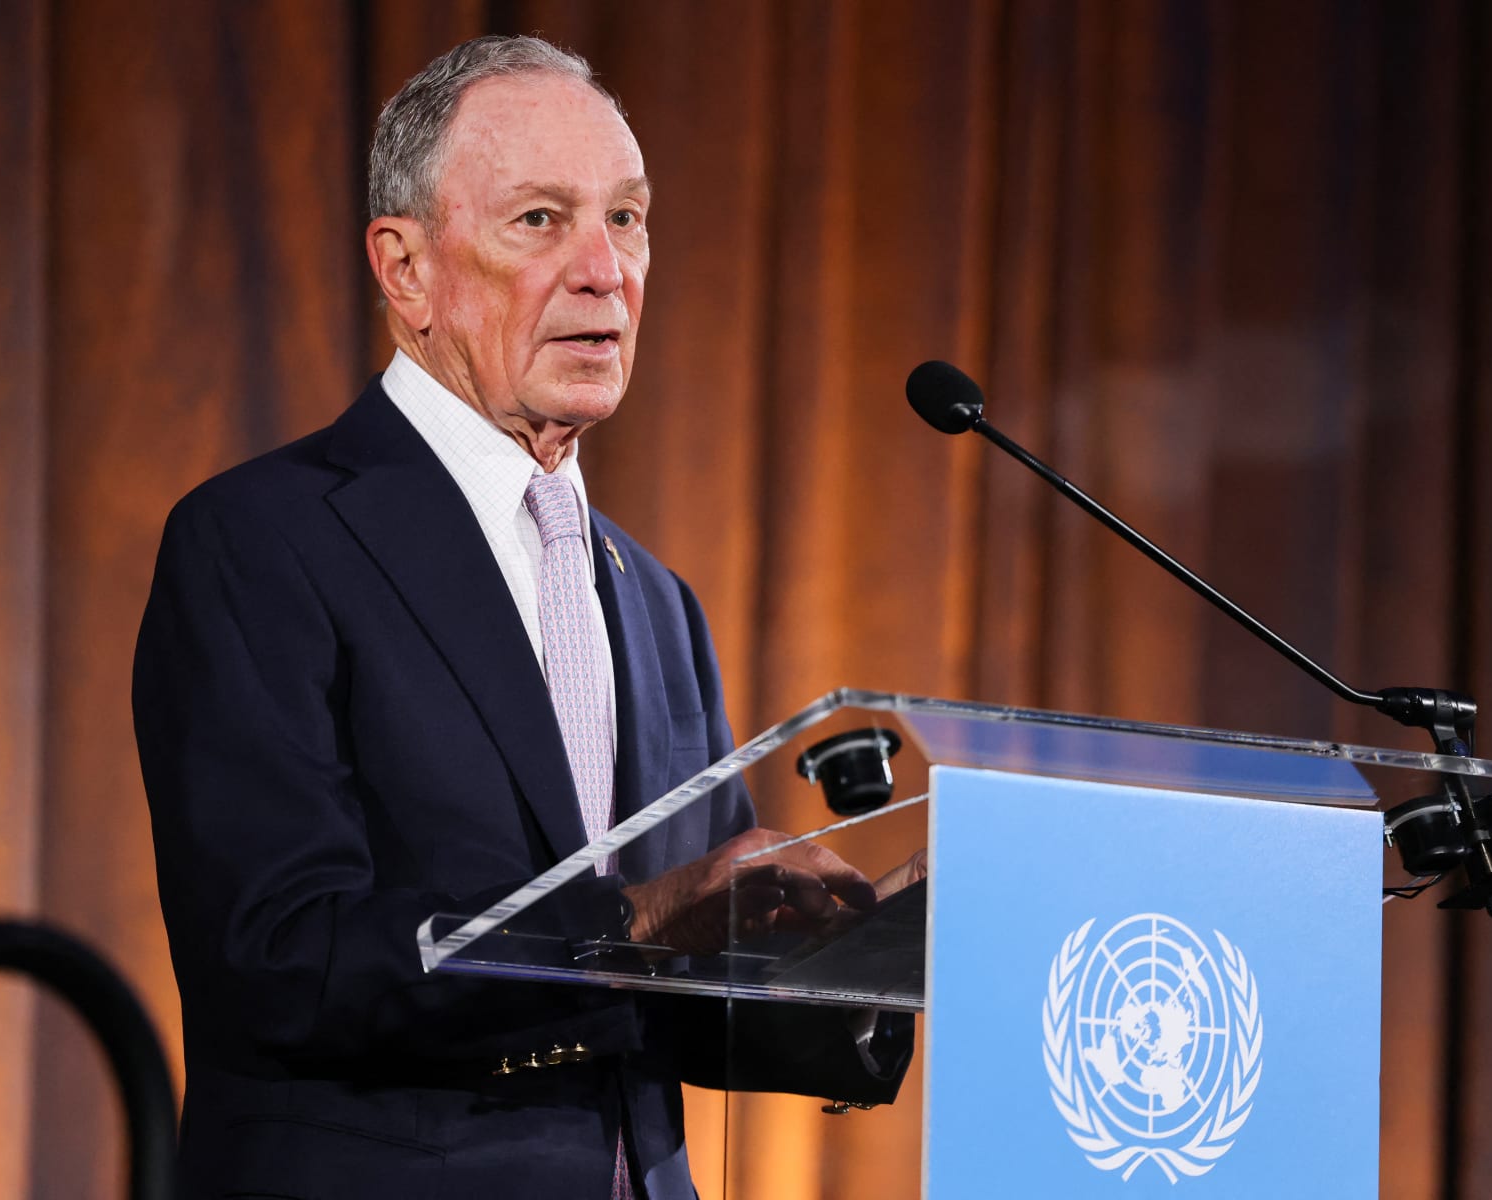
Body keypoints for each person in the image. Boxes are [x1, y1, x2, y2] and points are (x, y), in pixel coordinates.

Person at [134, 35, 911, 1199]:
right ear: (406, 271)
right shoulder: (262, 541)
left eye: (630, 219)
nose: (606, 269)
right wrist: (641, 916)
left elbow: (688, 996)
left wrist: (870, 966)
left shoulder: (656, 604)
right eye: (541, 221)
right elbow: (282, 958)